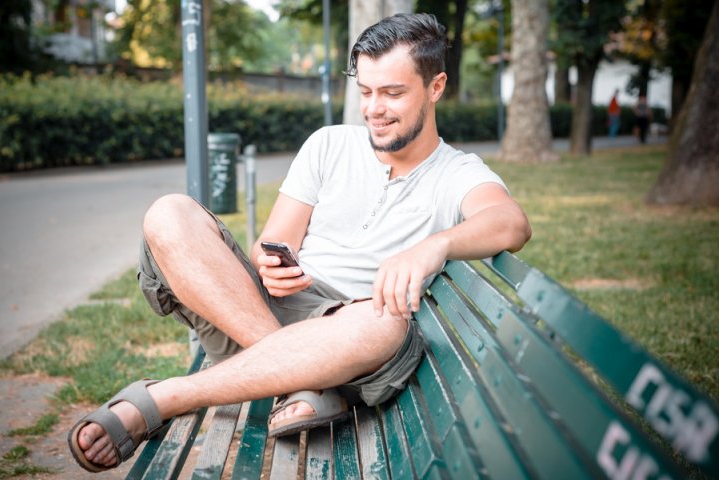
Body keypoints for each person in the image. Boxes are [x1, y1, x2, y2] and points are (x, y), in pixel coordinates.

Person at [67, 13, 532, 472]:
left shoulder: (457, 172)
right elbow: (273, 242)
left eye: (393, 93)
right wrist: (268, 264)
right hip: (260, 315)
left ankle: (162, 398)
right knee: (169, 212)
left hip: (348, 341)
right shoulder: (329, 145)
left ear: (436, 87)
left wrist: (436, 245)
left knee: (385, 319)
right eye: (366, 91)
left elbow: (510, 222)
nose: (374, 108)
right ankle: (298, 383)